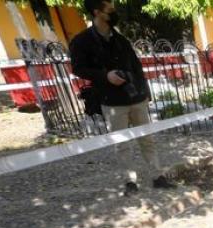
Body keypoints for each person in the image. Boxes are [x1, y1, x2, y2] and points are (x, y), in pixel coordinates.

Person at [69, 0, 174, 193]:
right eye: (109, 10)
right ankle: (130, 182)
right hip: (112, 101)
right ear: (97, 12)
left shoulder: (121, 40)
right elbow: (78, 68)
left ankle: (158, 177)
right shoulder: (81, 41)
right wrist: (105, 76)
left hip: (136, 98)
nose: (113, 13)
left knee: (147, 139)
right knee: (121, 143)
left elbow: (137, 67)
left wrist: (146, 93)